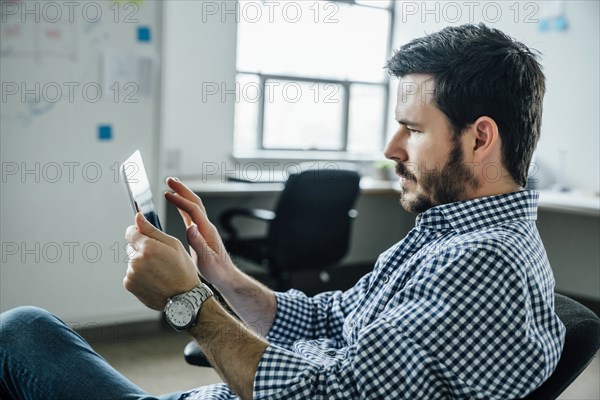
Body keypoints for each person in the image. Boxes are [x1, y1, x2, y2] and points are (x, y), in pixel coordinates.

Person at [0, 23, 565, 399]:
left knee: (21, 331)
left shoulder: (484, 263)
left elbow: (321, 396)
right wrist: (219, 273)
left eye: (413, 130)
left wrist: (188, 301)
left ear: (480, 137)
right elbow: (328, 321)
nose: (392, 149)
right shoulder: (447, 237)